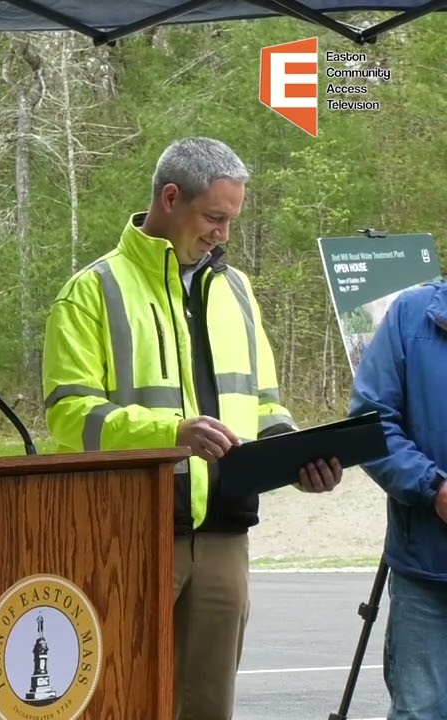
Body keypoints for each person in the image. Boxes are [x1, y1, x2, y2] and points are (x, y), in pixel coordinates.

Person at [40, 137, 342, 720]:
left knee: (208, 707)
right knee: (118, 701)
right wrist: (170, 432)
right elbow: (69, 415)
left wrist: (294, 456)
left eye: (231, 220)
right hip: (131, 533)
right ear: (170, 198)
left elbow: (265, 404)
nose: (222, 234)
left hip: (226, 536)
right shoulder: (91, 292)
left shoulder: (237, 291)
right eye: (213, 217)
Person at [348, 277, 447, 720]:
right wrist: (434, 488)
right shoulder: (411, 314)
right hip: (427, 571)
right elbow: (371, 425)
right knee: (421, 710)